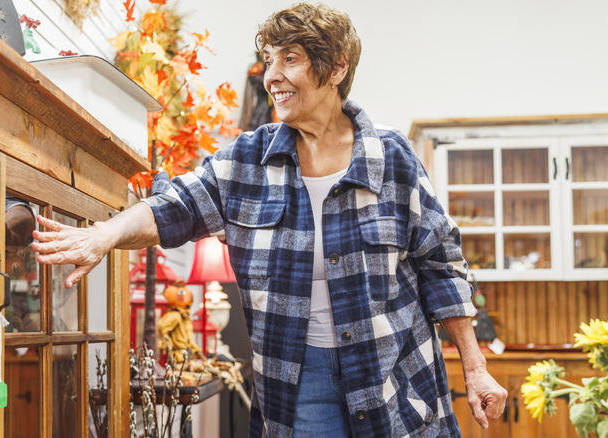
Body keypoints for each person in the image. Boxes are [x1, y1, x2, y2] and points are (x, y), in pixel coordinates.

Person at [32, 3, 507, 437]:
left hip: (394, 378)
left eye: (291, 59)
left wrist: (475, 365)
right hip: (300, 387)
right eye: (269, 60)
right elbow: (171, 206)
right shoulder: (246, 162)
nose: (271, 76)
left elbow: (441, 267)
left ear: (337, 66)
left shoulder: (392, 158)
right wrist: (105, 234)